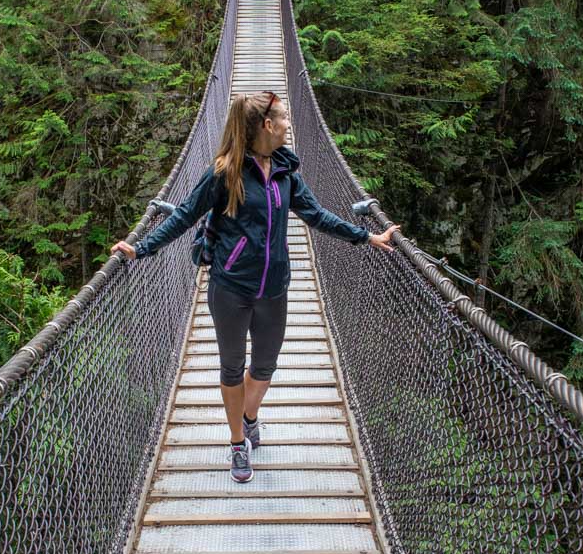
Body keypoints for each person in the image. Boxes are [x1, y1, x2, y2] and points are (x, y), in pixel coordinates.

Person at [110, 92, 400, 483]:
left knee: (264, 366)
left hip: (274, 288)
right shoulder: (224, 173)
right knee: (232, 367)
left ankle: (249, 417)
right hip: (230, 287)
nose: (287, 125)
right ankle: (235, 443)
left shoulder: (285, 172)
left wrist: (365, 237)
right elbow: (183, 216)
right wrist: (141, 249)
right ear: (267, 125)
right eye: (283, 119)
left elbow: (315, 214)